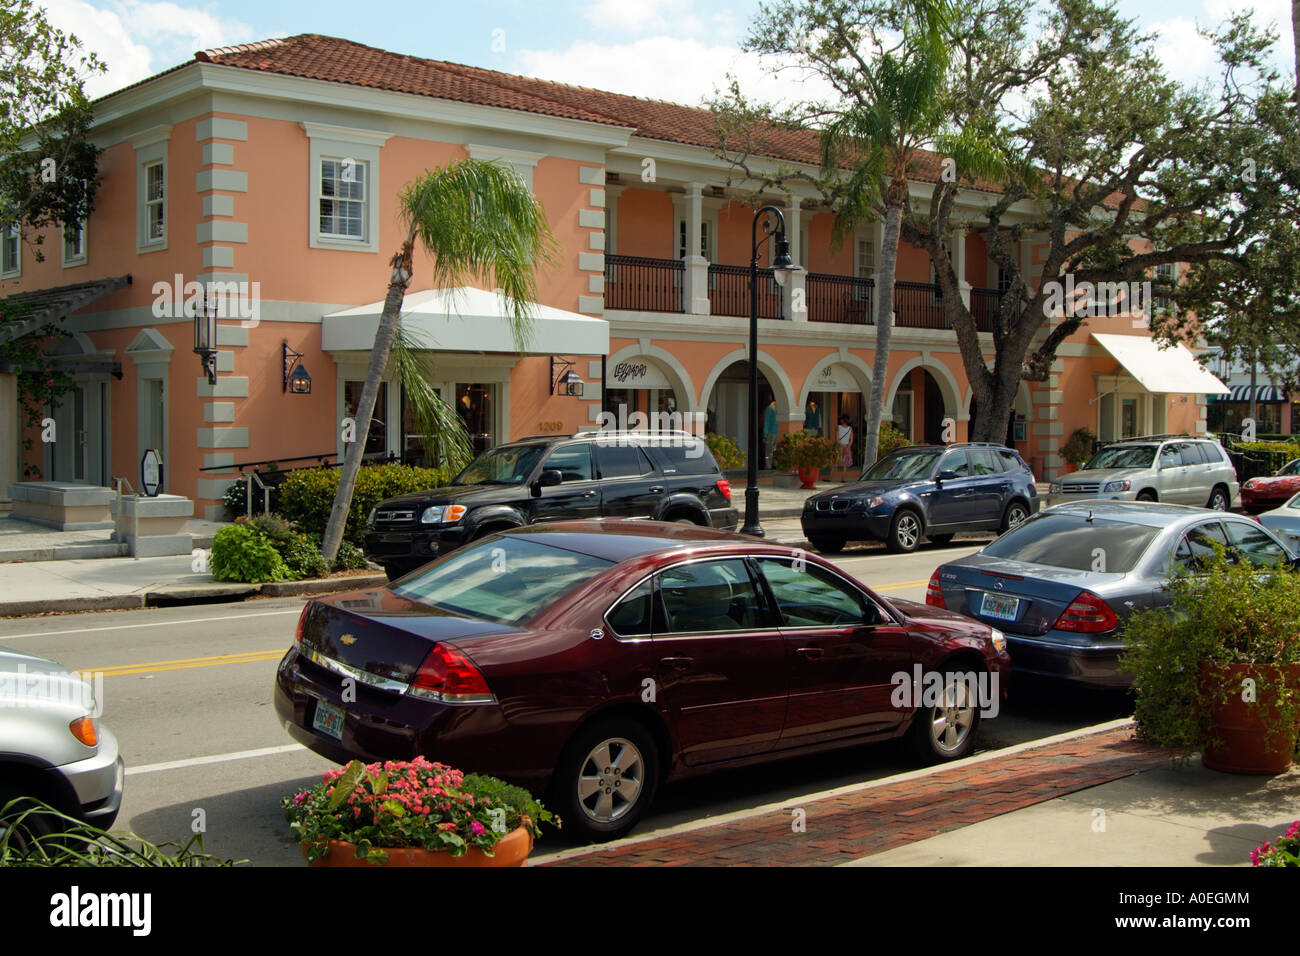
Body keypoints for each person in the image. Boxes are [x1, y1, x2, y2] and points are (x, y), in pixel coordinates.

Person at [763, 400, 779, 468]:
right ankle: (770, 464)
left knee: (772, 449)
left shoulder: (773, 408)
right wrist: (765, 433)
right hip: (772, 431)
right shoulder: (770, 408)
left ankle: (771, 464)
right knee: (771, 449)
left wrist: (765, 433)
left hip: (773, 431)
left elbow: (766, 421)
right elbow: (767, 421)